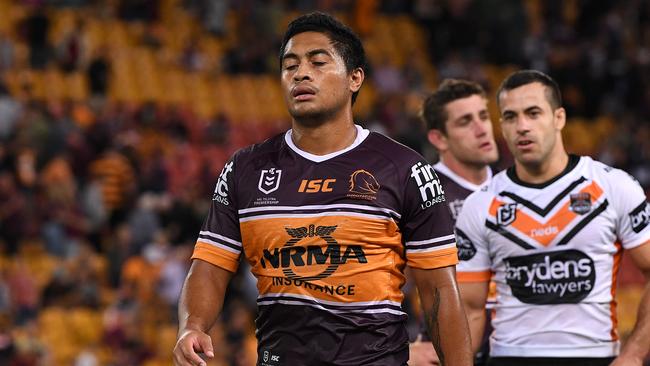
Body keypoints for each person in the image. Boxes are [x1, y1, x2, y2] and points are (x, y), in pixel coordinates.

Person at [173, 12, 472, 366]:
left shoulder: (406, 169)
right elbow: (209, 265)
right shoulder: (244, 169)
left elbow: (438, 289)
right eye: (290, 65)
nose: (301, 73)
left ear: (355, 78)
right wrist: (192, 325)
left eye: (318, 62)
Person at [455, 69, 650, 366]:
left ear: (559, 118)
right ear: (502, 127)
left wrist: (633, 357)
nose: (522, 126)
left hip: (595, 357)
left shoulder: (614, 187)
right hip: (510, 358)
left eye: (533, 113)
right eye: (510, 117)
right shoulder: (479, 205)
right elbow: (470, 310)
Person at [409, 79, 499, 366]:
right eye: (465, 121)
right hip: (446, 355)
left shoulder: (511, 189)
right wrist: (400, 348)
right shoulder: (420, 192)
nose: (481, 128)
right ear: (439, 139)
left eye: (483, 116)